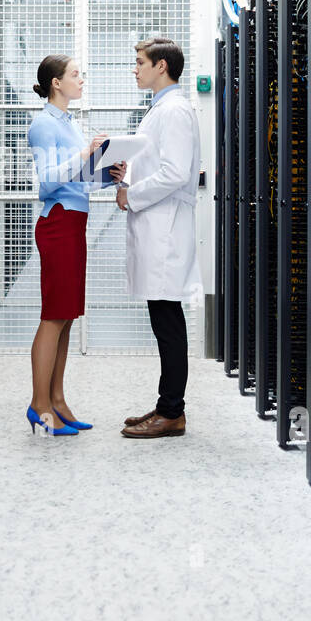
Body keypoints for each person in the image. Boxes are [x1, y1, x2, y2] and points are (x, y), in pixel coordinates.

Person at [26, 54, 122, 438]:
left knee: (64, 317)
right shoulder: (43, 124)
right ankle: (39, 406)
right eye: (75, 75)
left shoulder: (68, 123)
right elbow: (48, 183)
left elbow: (77, 182)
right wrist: (85, 155)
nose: (82, 80)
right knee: (53, 316)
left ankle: (58, 401)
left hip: (73, 223)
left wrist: (110, 175)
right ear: (56, 83)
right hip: (57, 224)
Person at [115, 37, 202, 438]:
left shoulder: (176, 111)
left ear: (162, 66)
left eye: (139, 62)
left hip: (164, 227)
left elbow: (174, 173)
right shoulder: (160, 110)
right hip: (155, 222)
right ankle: (167, 406)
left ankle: (172, 412)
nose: (135, 69)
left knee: (167, 322)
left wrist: (131, 194)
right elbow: (155, 163)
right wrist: (125, 174)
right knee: (163, 318)